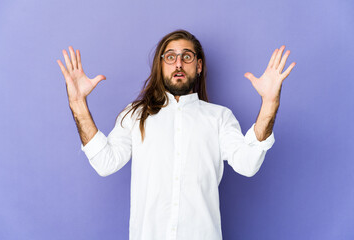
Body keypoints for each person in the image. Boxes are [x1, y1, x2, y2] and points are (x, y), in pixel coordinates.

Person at [57, 29, 296, 240]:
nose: (178, 64)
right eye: (170, 57)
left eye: (187, 57)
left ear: (199, 66)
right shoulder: (134, 115)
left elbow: (248, 164)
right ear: (161, 66)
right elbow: (104, 163)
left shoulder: (220, 118)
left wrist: (269, 102)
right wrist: (78, 103)